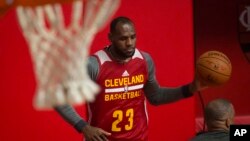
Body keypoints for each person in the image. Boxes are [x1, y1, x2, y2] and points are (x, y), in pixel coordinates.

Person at [55, 16, 206, 141]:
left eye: (133, 37)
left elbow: (156, 97)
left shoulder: (144, 60)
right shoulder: (94, 65)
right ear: (111, 38)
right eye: (123, 38)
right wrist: (84, 127)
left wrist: (189, 89)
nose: (129, 43)